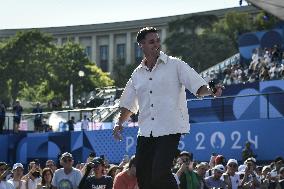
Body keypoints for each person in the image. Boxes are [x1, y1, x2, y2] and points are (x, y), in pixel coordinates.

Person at [113, 27, 223, 189]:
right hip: (145, 132)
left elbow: (198, 87)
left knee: (159, 173)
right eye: (151, 41)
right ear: (141, 45)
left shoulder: (175, 65)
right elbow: (129, 103)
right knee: (143, 175)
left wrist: (212, 91)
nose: (156, 44)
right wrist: (119, 123)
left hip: (169, 129)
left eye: (158, 40)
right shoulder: (137, 74)